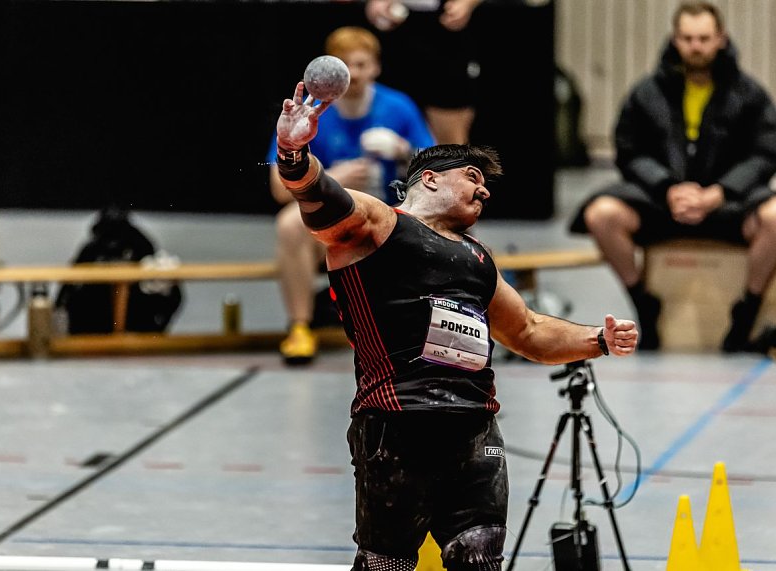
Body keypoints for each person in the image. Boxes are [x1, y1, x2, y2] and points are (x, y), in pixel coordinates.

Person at [273, 76, 639, 569]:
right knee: (387, 565)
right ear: (429, 179)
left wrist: (598, 339)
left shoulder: (478, 257)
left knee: (481, 555)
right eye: (472, 176)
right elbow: (321, 201)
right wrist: (293, 153)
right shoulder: (382, 225)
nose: (484, 189)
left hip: (475, 430)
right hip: (397, 426)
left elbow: (528, 331)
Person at [569, 1, 776, 352]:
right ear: (675, 38)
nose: (695, 46)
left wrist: (720, 192)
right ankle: (644, 304)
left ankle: (747, 311)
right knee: (601, 214)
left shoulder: (750, 94)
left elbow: (766, 152)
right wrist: (667, 188)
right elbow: (629, 150)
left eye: (703, 38)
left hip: (729, 205)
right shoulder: (647, 92)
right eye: (687, 38)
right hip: (662, 204)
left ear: (721, 39)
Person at [267, 26, 435, 365]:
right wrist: (329, 178)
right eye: (347, 65)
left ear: (376, 67)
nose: (355, 74)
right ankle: (300, 327)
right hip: (331, 223)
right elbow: (277, 189)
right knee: (288, 225)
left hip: (388, 220)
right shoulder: (309, 113)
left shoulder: (398, 107)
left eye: (361, 64)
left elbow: (438, 171)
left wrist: (403, 151)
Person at [365, 0, 483, 144]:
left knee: (450, 141)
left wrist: (467, 3)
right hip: (397, 27)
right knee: (385, 134)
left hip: (446, 30)